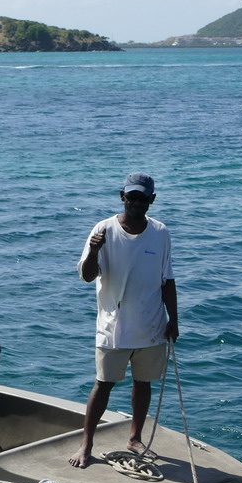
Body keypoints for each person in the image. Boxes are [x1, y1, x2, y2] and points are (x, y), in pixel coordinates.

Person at [69, 173, 178, 468]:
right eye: (132, 197)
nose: (137, 203)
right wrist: (93, 249)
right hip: (113, 327)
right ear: (122, 196)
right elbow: (88, 275)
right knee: (103, 383)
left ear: (152, 200)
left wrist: (173, 319)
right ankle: (86, 443)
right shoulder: (103, 229)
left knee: (143, 383)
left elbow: (167, 280)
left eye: (143, 198)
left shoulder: (160, 232)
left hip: (151, 325)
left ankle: (134, 438)